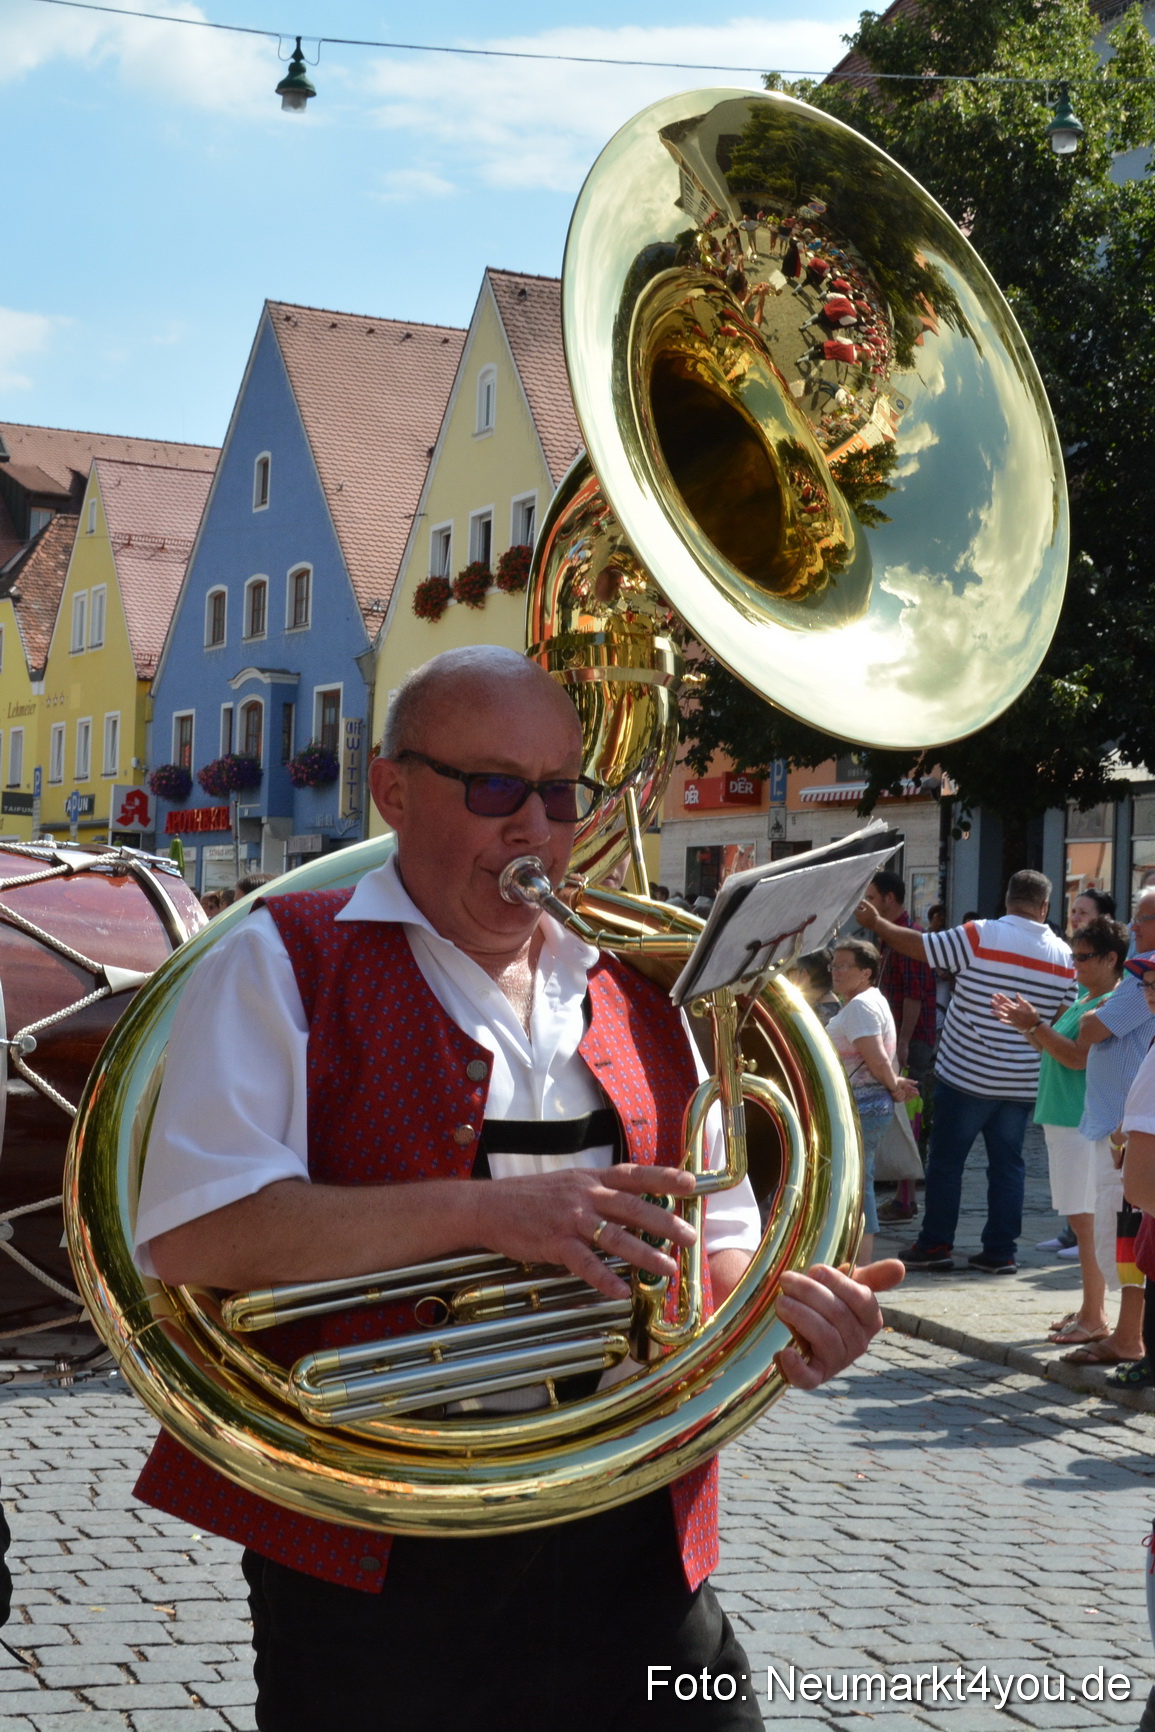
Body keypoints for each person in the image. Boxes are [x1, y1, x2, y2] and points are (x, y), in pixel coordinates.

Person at [131, 646, 902, 1732]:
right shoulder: (277, 960)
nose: (533, 827)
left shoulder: (646, 981)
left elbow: (719, 1234)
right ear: (394, 790)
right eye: (493, 787)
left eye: (558, 794)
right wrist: (487, 1214)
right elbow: (197, 1237)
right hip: (380, 1549)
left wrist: (786, 1313)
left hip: (631, 1521)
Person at [857, 872, 1075, 1273]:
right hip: (1021, 1081)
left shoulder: (980, 934)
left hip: (966, 1075)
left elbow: (921, 947)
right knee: (1008, 1167)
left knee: (947, 1163)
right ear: (1044, 907)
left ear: (1006, 899)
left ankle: (936, 1244)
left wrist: (878, 926)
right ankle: (1001, 1251)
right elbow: (1061, 1020)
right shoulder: (1063, 957)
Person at [991, 916, 1129, 1346]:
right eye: (1074, 956)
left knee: (1086, 1222)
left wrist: (1035, 1025)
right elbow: (1054, 1047)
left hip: (1080, 1122)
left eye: (1084, 957)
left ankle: (1094, 1315)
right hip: (1066, 1119)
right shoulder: (1086, 997)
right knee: (1081, 1218)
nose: (1075, 964)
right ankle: (1092, 1308)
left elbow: (1076, 1058)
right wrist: (1029, 1027)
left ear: (1112, 959)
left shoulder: (1110, 1000)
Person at [826, 940, 918, 1264]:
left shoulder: (860, 1007)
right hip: (866, 1104)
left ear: (866, 972)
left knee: (857, 1184)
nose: (835, 972)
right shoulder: (870, 1000)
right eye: (833, 965)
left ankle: (860, 1263)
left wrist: (893, 1085)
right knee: (856, 1182)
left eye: (843, 966)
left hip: (861, 1106)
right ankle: (854, 1259)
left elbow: (876, 1056)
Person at [863, 871, 937, 1225]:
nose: (868, 905)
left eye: (873, 898)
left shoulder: (910, 937)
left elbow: (915, 994)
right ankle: (900, 1193)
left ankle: (906, 1197)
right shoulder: (885, 937)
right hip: (892, 1037)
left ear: (889, 899)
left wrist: (905, 1040)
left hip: (909, 1040)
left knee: (909, 1113)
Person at [786, 948, 840, 1027]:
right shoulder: (823, 1001)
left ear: (804, 975)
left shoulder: (824, 1016)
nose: (785, 974)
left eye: (789, 970)